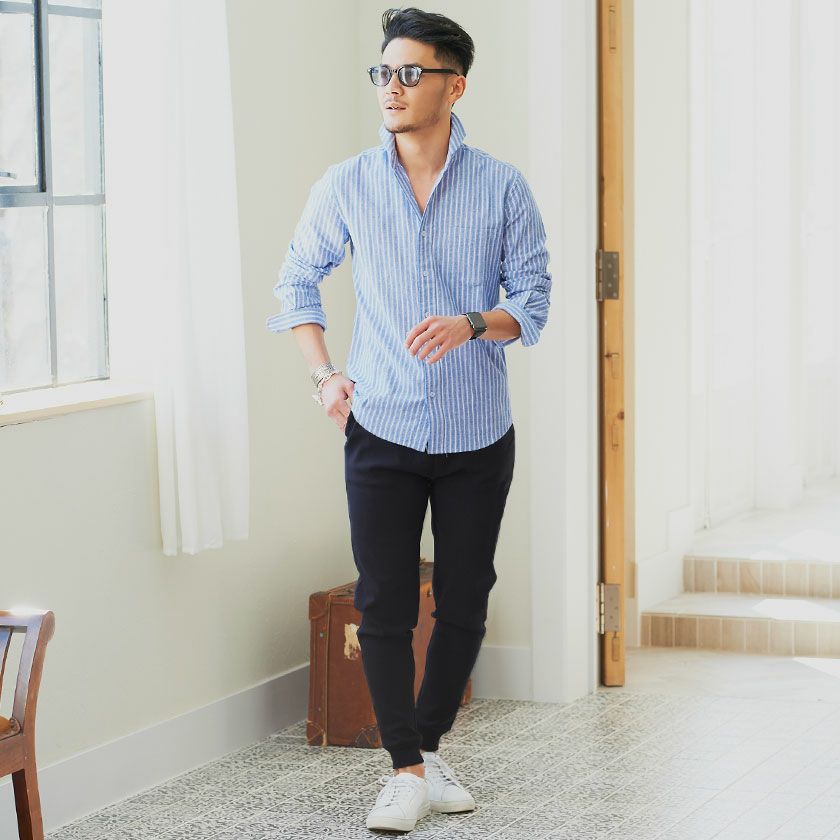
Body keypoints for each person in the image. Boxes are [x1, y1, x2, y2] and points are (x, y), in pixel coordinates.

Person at [266, 6, 552, 833]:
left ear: (454, 86)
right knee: (384, 603)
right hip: (381, 425)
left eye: (411, 73)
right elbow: (296, 282)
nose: (392, 87)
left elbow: (533, 301)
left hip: (477, 432)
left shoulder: (502, 187)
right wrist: (324, 375)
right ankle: (406, 770)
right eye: (384, 72)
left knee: (465, 600)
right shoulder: (347, 184)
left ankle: (423, 749)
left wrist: (472, 323)